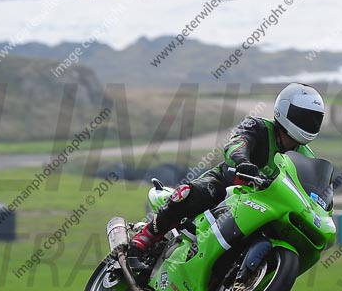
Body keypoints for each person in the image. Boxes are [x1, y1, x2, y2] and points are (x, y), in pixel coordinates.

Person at [130, 82, 326, 254]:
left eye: (314, 118)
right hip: (228, 184)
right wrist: (242, 161)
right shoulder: (257, 126)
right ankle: (146, 236)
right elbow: (236, 144)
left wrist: (323, 205)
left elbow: (315, 188)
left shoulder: (307, 157)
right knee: (191, 193)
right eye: (304, 116)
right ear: (284, 110)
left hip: (267, 206)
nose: (309, 123)